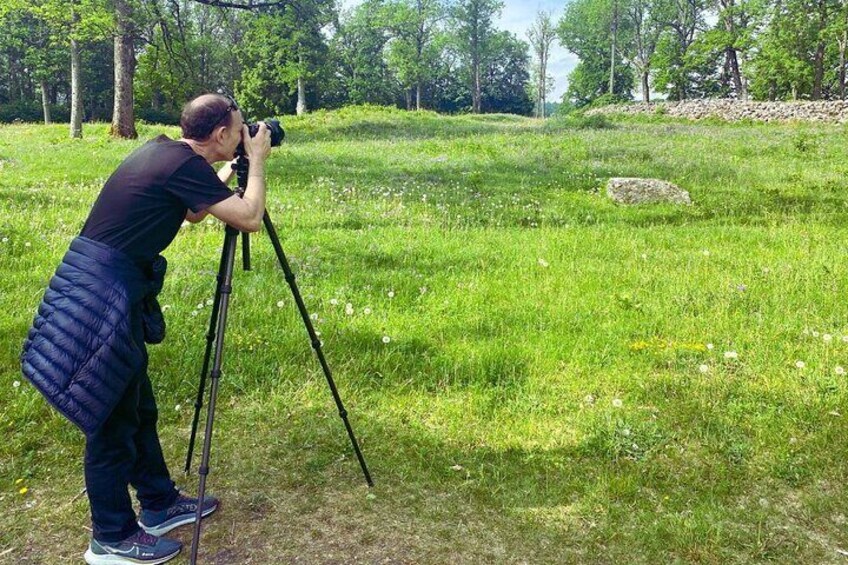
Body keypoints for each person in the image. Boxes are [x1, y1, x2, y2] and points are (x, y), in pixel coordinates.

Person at [21, 93, 272, 565]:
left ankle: (158, 503)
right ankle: (111, 538)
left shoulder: (168, 154)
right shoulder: (180, 164)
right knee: (110, 419)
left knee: (138, 405)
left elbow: (195, 209)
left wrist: (225, 178)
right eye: (240, 130)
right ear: (221, 135)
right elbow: (250, 217)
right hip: (99, 297)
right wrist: (256, 164)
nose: (244, 137)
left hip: (106, 287)